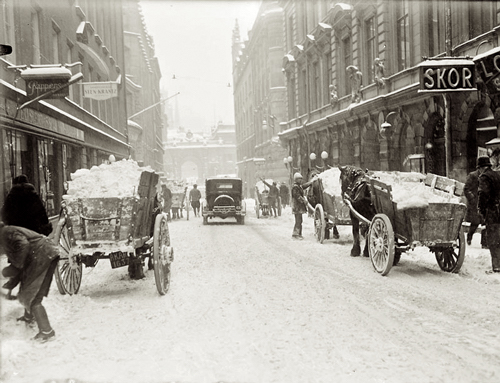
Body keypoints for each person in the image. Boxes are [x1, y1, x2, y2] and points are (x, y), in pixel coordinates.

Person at [0, 222, 60, 342]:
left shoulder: (6, 233)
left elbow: (23, 245)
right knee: (26, 289)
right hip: (40, 254)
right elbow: (18, 259)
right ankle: (29, 317)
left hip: (42, 254)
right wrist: (12, 282)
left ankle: (47, 332)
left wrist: (15, 267)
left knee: (33, 295)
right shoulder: (6, 233)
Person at [1, 175, 53, 299]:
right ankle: (25, 296)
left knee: (18, 263)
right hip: (32, 236)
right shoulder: (33, 196)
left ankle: (12, 286)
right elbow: (43, 215)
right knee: (30, 268)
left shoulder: (11, 197)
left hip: (16, 237)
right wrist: (43, 228)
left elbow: (4, 215)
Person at [477, 156, 500, 274]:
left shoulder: (484, 177)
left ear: (481, 168)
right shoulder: (497, 174)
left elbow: (483, 194)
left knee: (493, 239)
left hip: (493, 211)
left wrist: (481, 209)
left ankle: (497, 266)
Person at [464, 163, 487, 248]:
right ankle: (469, 236)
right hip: (474, 203)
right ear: (479, 168)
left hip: (484, 202)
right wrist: (472, 198)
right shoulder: (472, 175)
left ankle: (484, 243)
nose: (485, 169)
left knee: (485, 222)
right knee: (476, 222)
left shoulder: (487, 176)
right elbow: (466, 189)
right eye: (483, 168)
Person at [291, 172, 315, 239]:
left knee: (300, 220)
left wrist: (310, 183)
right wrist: (304, 201)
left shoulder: (299, 186)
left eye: (301, 179)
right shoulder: (295, 187)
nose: (301, 180)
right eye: (299, 179)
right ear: (296, 179)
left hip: (299, 207)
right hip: (297, 207)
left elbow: (304, 186)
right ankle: (295, 234)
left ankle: (299, 234)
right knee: (298, 220)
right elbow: (297, 196)